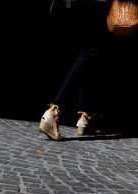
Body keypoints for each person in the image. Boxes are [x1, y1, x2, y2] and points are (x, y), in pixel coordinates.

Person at [40, 0, 107, 140]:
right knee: (90, 53)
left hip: (77, 4)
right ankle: (53, 113)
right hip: (91, 5)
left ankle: (85, 117)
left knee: (88, 56)